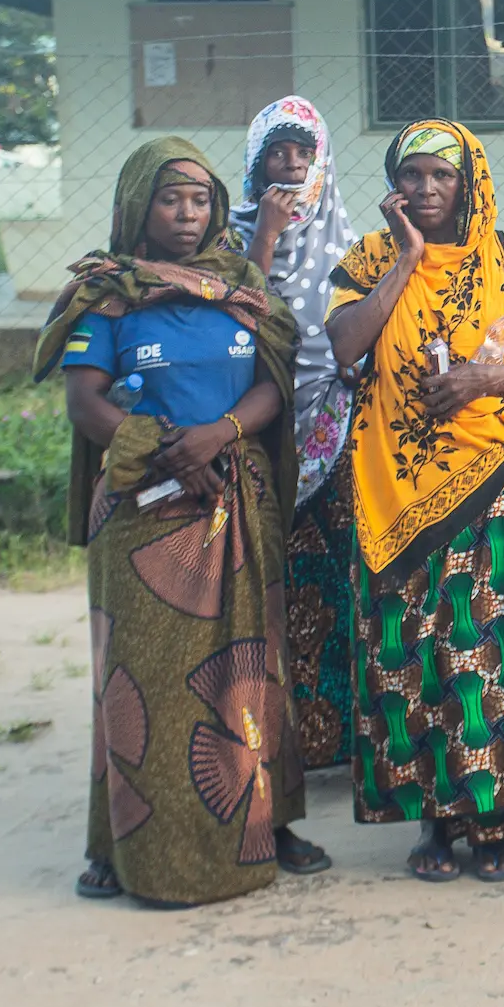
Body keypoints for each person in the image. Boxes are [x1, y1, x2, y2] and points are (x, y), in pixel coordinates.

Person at [37, 137, 328, 905]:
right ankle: (117, 839)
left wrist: (221, 434)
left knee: (256, 664)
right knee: (137, 678)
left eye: (201, 199)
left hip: (237, 493)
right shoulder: (107, 294)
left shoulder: (238, 284)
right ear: (139, 204)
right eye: (172, 198)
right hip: (144, 509)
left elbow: (274, 383)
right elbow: (86, 401)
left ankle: (274, 819)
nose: (189, 213)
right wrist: (167, 450)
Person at [325, 118, 504, 881]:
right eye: (413, 175)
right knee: (409, 653)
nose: (427, 188)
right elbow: (346, 345)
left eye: (443, 175)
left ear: (469, 179)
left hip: (488, 479)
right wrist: (406, 260)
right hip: (393, 487)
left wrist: (480, 379)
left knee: (490, 652)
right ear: (393, 184)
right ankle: (433, 823)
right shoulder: (369, 256)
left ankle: (494, 818)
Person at [226, 95, 359, 769]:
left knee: (331, 585)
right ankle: (268, 736)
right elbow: (237, 320)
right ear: (253, 166)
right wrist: (267, 237)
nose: (290, 167)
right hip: (250, 437)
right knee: (262, 587)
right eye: (276, 153)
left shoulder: (346, 245)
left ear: (322, 165)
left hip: (330, 440)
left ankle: (332, 738)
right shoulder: (226, 243)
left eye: (303, 155)